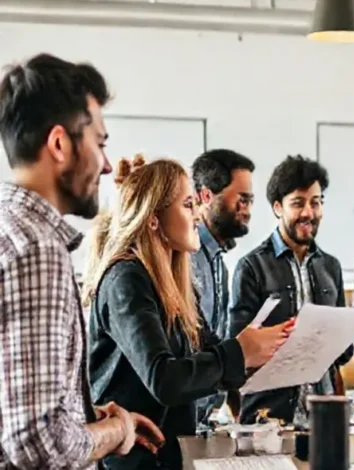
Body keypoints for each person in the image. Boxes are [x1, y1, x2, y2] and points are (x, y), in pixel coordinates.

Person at [0, 53, 163, 469]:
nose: (107, 166)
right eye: (100, 143)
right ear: (59, 144)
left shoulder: (9, 228)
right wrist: (116, 432)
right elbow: (37, 442)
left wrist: (83, 415)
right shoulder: (36, 249)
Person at [81, 158, 292, 469]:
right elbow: (165, 379)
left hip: (169, 456)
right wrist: (240, 353)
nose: (197, 214)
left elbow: (210, 348)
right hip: (131, 462)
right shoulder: (126, 279)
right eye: (188, 205)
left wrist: (265, 350)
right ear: (154, 219)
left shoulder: (176, 284)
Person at [229, 154, 354, 425]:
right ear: (277, 208)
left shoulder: (330, 267)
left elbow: (343, 354)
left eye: (316, 202)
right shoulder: (251, 267)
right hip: (268, 419)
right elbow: (236, 350)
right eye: (298, 203)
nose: (308, 213)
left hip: (322, 417)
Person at [191, 148, 256, 424]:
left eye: (250, 200)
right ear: (206, 196)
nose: (247, 210)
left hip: (205, 415)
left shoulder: (220, 263)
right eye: (242, 199)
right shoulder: (185, 258)